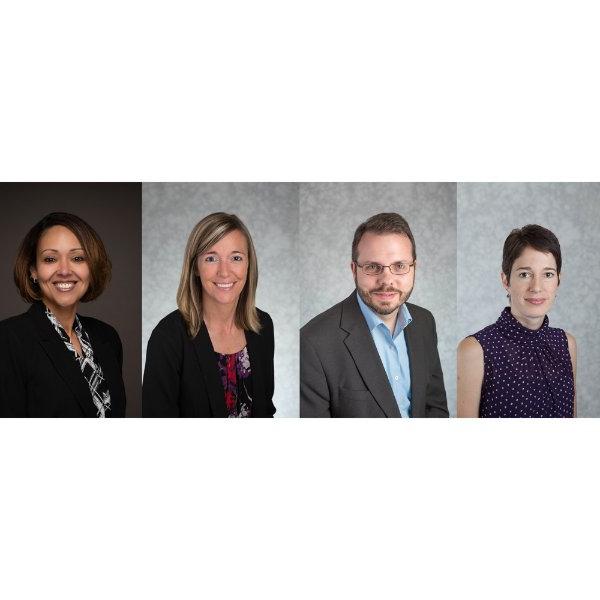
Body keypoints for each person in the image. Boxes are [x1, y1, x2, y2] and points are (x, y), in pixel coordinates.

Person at [301, 212, 448, 418]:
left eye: (399, 266)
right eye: (372, 267)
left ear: (414, 268)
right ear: (354, 270)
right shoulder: (313, 342)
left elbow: (435, 407)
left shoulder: (424, 322)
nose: (387, 280)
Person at [143, 212, 275, 417]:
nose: (224, 271)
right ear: (195, 267)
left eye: (236, 258)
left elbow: (266, 410)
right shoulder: (168, 337)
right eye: (211, 258)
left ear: (249, 265)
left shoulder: (262, 326)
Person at [0, 212, 126, 417]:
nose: (65, 270)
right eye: (50, 259)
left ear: (91, 267)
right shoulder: (8, 340)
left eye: (77, 258)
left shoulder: (107, 337)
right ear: (33, 270)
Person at [457, 224, 576, 418]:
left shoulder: (566, 344)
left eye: (547, 274)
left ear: (558, 280)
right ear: (506, 280)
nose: (536, 287)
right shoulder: (474, 350)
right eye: (524, 274)